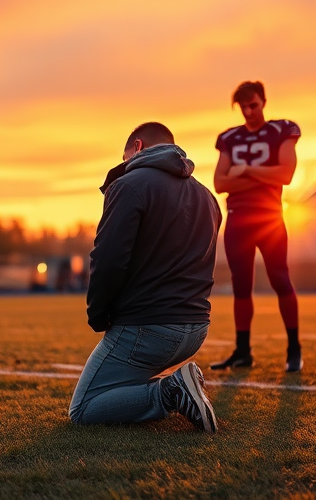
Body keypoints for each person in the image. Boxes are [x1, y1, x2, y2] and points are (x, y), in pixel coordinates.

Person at [69, 122, 221, 433]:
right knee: (120, 382)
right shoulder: (207, 196)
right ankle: (180, 385)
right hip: (195, 329)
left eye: (124, 156)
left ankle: (172, 390)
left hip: (150, 328)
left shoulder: (131, 184)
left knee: (84, 408)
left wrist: (98, 313)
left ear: (137, 147)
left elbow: (109, 258)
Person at [210, 81, 303, 372]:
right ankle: (242, 351)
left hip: (269, 216)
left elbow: (286, 174)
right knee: (241, 286)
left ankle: (294, 349)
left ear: (263, 101)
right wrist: (265, 175)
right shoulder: (230, 137)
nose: (249, 111)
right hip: (238, 217)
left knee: (280, 279)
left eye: (253, 104)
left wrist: (248, 170)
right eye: (243, 107)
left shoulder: (281, 130)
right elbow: (220, 182)